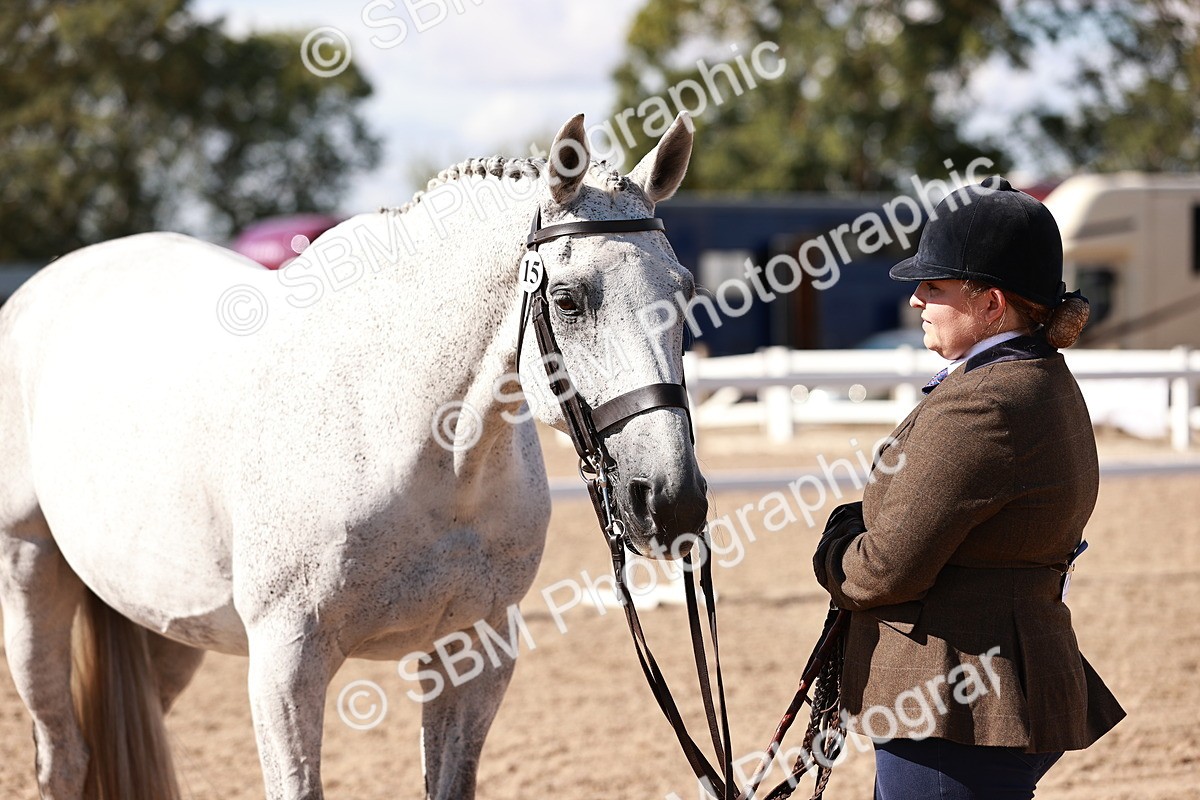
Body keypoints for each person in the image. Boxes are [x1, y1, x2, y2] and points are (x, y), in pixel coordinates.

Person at [812, 176, 1125, 799]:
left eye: (935, 287)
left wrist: (836, 541)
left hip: (954, 705)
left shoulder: (984, 403)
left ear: (992, 304)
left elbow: (882, 570)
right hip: (991, 684)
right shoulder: (1035, 376)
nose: (917, 302)